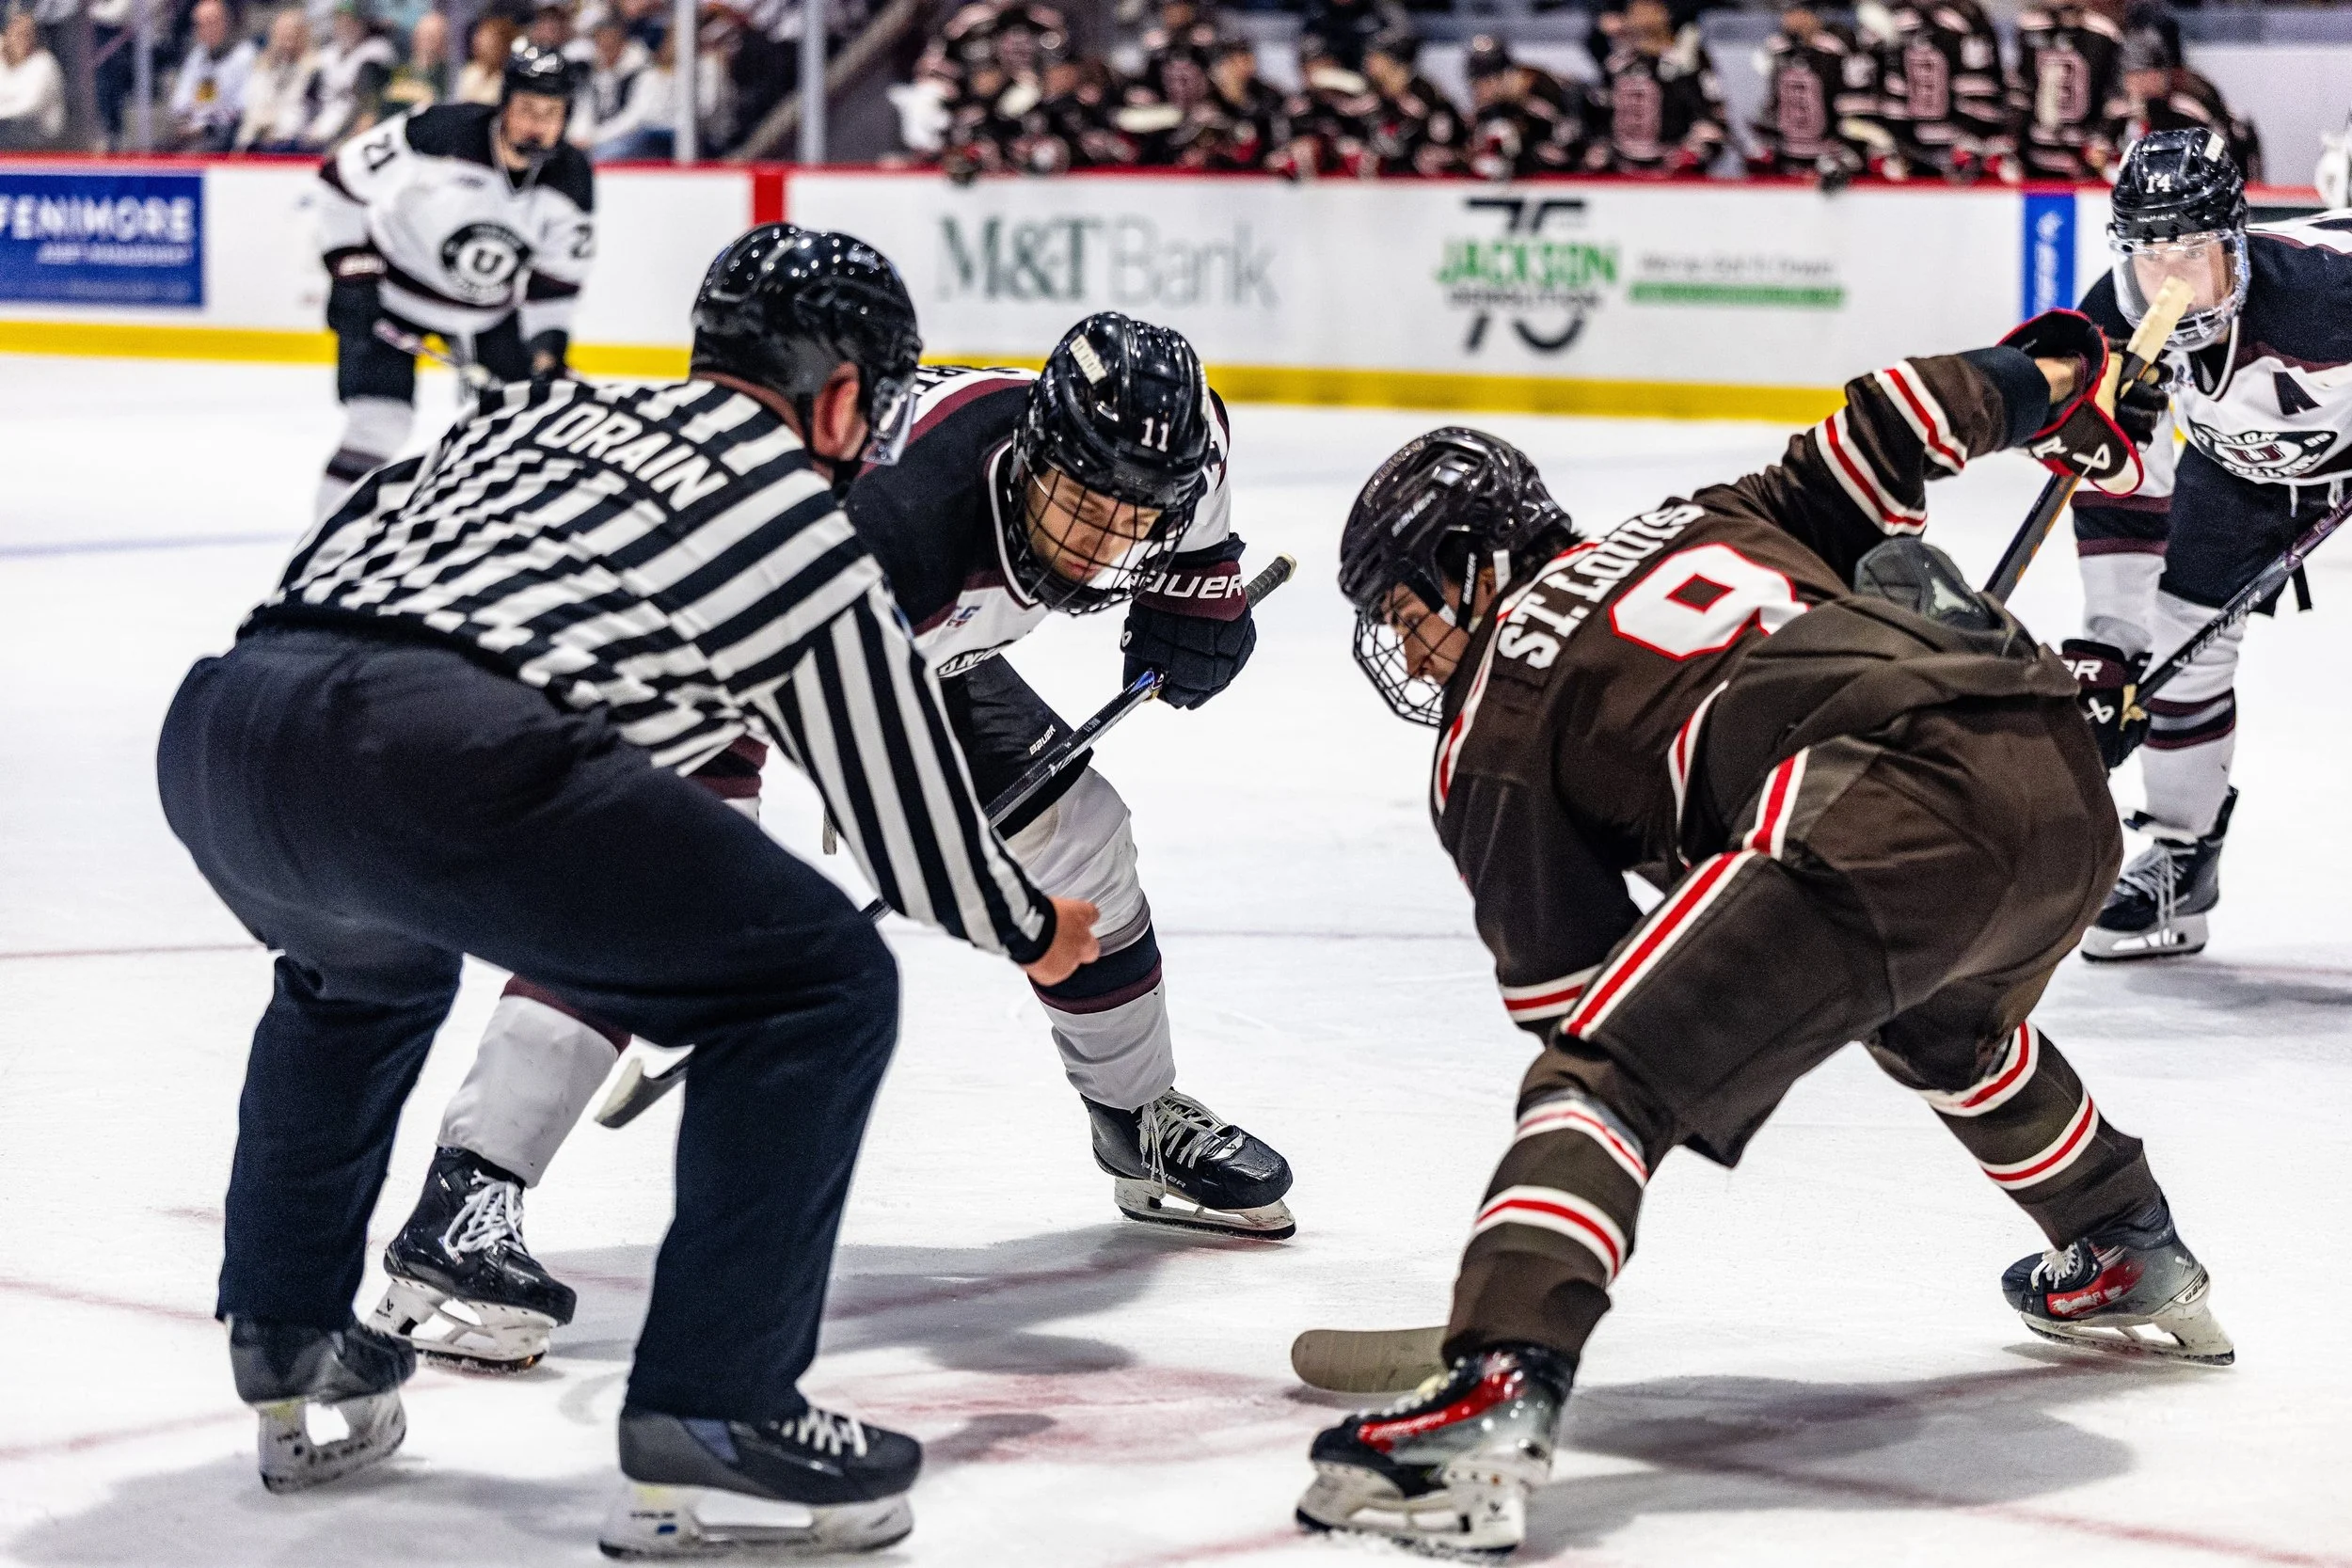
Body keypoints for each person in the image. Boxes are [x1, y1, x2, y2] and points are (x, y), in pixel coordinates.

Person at [156, 222, 1099, 1549]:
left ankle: (295, 1329)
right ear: (841, 396)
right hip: (434, 743)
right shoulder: (799, 516)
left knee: (361, 971)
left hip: (227, 726)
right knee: (819, 983)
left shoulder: (535, 411)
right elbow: (908, 829)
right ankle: (717, 1417)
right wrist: (1032, 922)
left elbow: (358, 540)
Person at [1301, 318, 2231, 1555]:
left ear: (1472, 568)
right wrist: (2057, 383)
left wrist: (1535, 1249)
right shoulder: (1711, 513)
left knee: (1601, 1075)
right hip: (2053, 756)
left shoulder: (1488, 729)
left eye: (1408, 607)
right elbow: (1892, 416)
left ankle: (1488, 1405)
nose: (1410, 649)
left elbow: (1587, 1020)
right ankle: (2125, 1234)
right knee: (1947, 1025)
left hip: (1886, 799)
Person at [365, 310, 1299, 1372]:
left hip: (901, 643)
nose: (1095, 546)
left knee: (1079, 836)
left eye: (1130, 522)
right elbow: (884, 792)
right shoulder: (899, 520)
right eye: (1079, 507)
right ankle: (464, 1204)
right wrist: (969, 884)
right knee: (656, 893)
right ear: (1033, 456)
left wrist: (1205, 584)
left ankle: (1137, 1123)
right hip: (699, 630)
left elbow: (1198, 510)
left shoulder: (1171, 447)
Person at [2062, 130, 2351, 959]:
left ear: (2237, 245)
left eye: (2194, 254)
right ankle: (2183, 864)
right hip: (2238, 474)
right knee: (2178, 652)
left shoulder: (2325, 296)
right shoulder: (2110, 329)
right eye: (2150, 259)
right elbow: (2122, 483)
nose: (2172, 282)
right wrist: (2110, 642)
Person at [310, 40, 591, 520]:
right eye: (527, 108)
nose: (538, 125)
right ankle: (320, 552)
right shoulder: (440, 132)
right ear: (503, 102)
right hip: (393, 299)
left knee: (526, 429)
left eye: (552, 112)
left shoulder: (571, 176)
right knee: (379, 427)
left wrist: (546, 352)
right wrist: (351, 270)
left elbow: (556, 279)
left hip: (487, 318)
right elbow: (340, 180)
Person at [1583, 0, 1725, 178]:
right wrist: (1600, 151)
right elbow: (1597, 117)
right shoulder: (1617, 65)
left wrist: (1691, 154)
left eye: (1651, 10)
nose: (1643, 17)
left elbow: (1714, 119)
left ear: (1665, 14)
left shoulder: (1687, 63)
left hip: (1677, 171)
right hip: (1620, 169)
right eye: (1636, 12)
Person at [1877, 0, 2013, 182]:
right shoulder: (1896, 20)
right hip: (1911, 154)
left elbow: (1981, 88)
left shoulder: (1967, 20)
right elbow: (1891, 86)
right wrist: (1898, 144)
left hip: (1965, 154)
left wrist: (1972, 140)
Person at [1746, 2, 1882, 186]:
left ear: (1811, 14)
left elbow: (1858, 108)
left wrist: (1847, 155)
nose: (1788, 19)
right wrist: (1768, 142)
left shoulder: (1838, 48)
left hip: (1831, 156)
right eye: (1786, 13)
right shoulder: (1778, 49)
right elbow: (1775, 103)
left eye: (1796, 12)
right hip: (1789, 158)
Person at [2117, 11, 2261, 182]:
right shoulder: (2129, 106)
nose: (2132, 82)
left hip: (2217, 183)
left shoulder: (2190, 108)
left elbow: (2222, 157)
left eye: (2140, 73)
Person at [2011, 0, 2130, 182]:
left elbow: (2117, 96)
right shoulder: (2030, 27)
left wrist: (2102, 142)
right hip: (2033, 159)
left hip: (2084, 160)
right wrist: (2013, 142)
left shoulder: (2104, 33)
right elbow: (2020, 89)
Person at [1461, 34, 1587, 183]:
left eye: (1488, 73)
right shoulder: (1488, 106)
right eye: (1479, 73)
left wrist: (1523, 101)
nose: (1482, 82)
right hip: (1518, 165)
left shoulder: (1534, 82)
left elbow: (1566, 123)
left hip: (1556, 160)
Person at [302, 0, 398, 146]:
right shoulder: (328, 54)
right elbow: (310, 97)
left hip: (351, 128)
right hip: (319, 123)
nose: (344, 25)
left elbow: (367, 101)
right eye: (340, 19)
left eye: (351, 20)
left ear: (363, 23)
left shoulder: (376, 51)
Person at [167, 0, 260, 151]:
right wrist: (188, 121)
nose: (206, 30)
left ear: (226, 23)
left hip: (225, 132)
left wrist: (207, 125)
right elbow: (180, 102)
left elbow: (242, 106)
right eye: (200, 25)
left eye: (211, 23)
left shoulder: (244, 55)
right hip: (193, 130)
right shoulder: (197, 56)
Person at [235, 7, 318, 151]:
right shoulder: (261, 66)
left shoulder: (312, 68)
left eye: (292, 33)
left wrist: (274, 131)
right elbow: (252, 107)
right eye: (282, 32)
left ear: (302, 35)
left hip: (287, 143)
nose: (286, 39)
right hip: (254, 139)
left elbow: (299, 111)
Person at [0, 9, 65, 150]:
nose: (21, 39)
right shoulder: (2, 63)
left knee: (12, 126)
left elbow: (28, 107)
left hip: (38, 137)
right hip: (7, 131)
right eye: (16, 34)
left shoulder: (44, 63)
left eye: (27, 35)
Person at [455, 10, 519, 103]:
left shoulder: (509, 81)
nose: (478, 44)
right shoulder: (470, 71)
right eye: (479, 38)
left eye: (489, 41)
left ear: (504, 45)